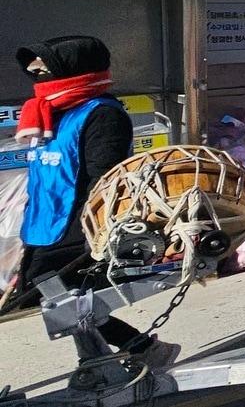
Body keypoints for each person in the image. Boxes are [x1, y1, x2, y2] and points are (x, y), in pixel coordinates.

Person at [7, 37, 177, 366]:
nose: (34, 71)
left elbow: (104, 177)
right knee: (65, 298)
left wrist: (93, 229)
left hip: (76, 224)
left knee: (63, 296)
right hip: (45, 221)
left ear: (71, 67)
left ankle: (137, 350)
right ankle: (114, 355)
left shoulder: (102, 114)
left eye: (42, 65)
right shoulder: (48, 112)